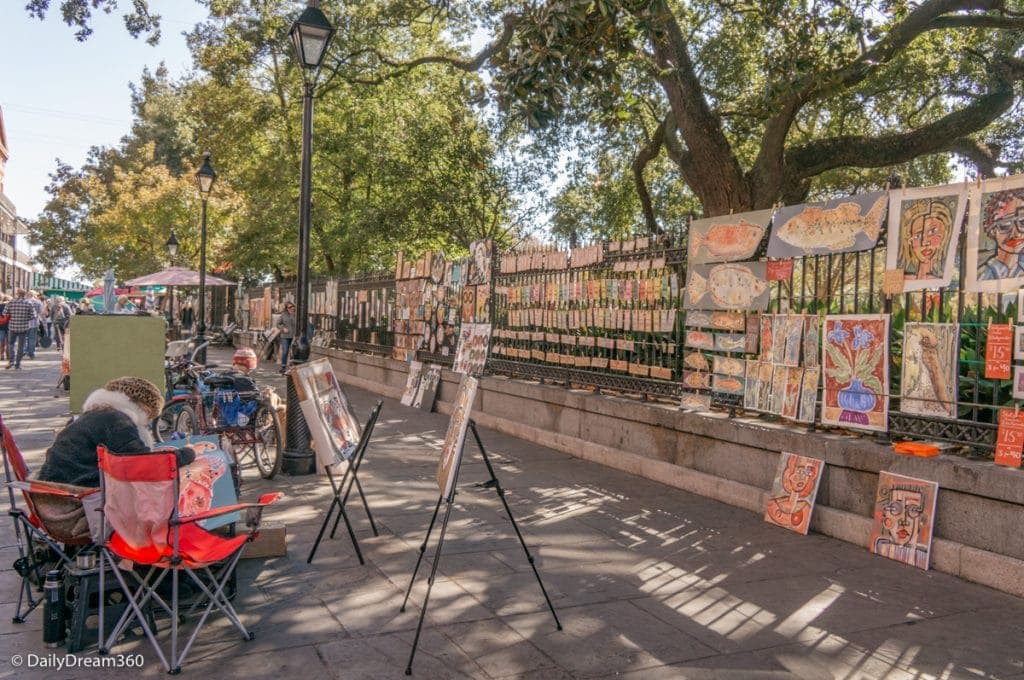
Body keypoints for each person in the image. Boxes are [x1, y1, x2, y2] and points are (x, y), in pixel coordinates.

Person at [37, 376, 194, 489]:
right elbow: (142, 465)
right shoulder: (116, 421)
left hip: (56, 490)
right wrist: (185, 455)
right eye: (149, 417)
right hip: (78, 499)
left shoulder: (96, 415)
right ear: (144, 409)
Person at [978, 188, 1024, 281]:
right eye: (1005, 225)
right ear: (992, 230)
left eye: (1023, 221)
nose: (1016, 234)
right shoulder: (984, 275)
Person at [6, 289, 34, 369]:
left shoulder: (11, 302)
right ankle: (17, 364)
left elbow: (5, 313)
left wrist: (13, 315)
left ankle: (11, 361)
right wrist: (25, 318)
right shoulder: (29, 303)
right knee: (21, 346)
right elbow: (33, 316)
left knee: (11, 344)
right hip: (23, 327)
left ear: (17, 294)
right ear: (24, 294)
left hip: (12, 326)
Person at [277, 302, 296, 373]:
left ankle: (292, 366)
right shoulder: (283, 315)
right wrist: (283, 328)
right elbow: (278, 324)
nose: (291, 308)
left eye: (292, 307)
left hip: (294, 336)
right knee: (285, 351)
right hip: (285, 336)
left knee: (293, 352)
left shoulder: (296, 315)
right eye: (289, 307)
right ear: (286, 308)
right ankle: (283, 367)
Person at [0, 294, 9, 363]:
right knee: (9, 341)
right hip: (9, 326)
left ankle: (1, 355)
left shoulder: (0, 306)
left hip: (1, 325)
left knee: (1, 341)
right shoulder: (10, 306)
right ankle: (8, 355)